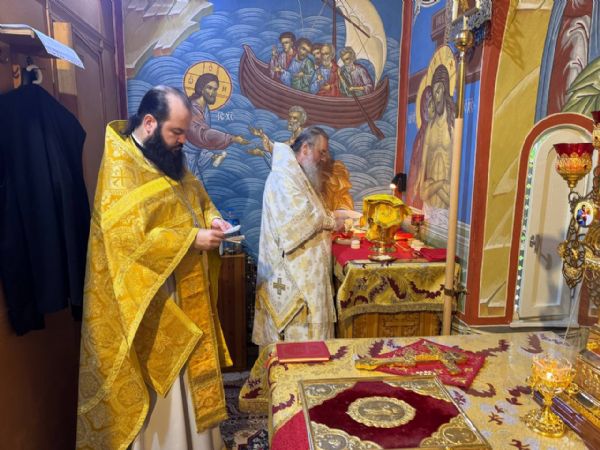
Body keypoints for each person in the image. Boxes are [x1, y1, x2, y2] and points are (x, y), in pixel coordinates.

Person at [76, 85, 233, 450]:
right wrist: (190, 240)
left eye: (185, 132)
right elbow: (125, 241)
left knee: (191, 382)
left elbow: (195, 197)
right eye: (176, 131)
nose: (183, 140)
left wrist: (213, 219)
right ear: (149, 123)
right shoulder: (122, 165)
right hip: (151, 301)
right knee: (168, 395)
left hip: (186, 288)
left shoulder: (168, 157)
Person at [252, 127, 342, 346]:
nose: (324, 158)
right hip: (293, 281)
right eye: (321, 152)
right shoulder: (283, 177)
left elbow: (313, 211)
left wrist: (332, 217)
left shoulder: (297, 174)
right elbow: (298, 224)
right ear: (305, 148)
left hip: (307, 276)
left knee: (314, 347)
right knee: (295, 349)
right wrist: (332, 222)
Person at [419, 64, 455, 227]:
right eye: (434, 90)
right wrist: (426, 186)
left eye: (439, 89)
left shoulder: (452, 126)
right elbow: (423, 164)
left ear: (446, 90)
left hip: (446, 197)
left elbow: (455, 165)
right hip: (430, 199)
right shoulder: (430, 127)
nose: (436, 94)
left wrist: (438, 185)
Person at [186, 73, 248, 161]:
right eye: (209, 88)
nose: (212, 93)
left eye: (215, 89)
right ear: (201, 89)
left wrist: (210, 156)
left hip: (195, 157)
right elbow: (201, 134)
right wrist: (231, 138)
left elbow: (200, 142)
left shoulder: (205, 109)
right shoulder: (192, 108)